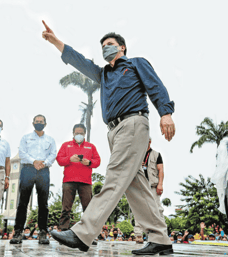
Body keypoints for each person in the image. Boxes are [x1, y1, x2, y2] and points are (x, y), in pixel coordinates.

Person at [42, 21, 176, 256]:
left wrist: (165, 113)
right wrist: (56, 42)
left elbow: (155, 86)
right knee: (135, 186)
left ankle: (83, 233)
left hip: (133, 123)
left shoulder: (135, 64)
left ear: (122, 47)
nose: (106, 48)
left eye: (110, 44)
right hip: (114, 131)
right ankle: (160, 239)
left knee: (114, 178)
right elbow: (79, 61)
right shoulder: (103, 74)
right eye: (103, 46)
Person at [10, 114, 56, 245]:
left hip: (43, 170)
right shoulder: (26, 138)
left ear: (45, 124)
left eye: (41, 121)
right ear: (33, 123)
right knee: (23, 202)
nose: (39, 123)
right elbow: (22, 153)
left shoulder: (50, 139)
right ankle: (18, 232)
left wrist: (44, 163)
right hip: (28, 169)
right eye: (37, 121)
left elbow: (53, 154)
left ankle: (42, 232)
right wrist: (34, 161)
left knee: (43, 203)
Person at [56, 124, 101, 231]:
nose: (79, 135)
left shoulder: (91, 146)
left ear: (84, 134)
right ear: (73, 133)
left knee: (88, 208)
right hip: (68, 181)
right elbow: (59, 160)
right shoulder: (66, 145)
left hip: (85, 182)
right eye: (77, 133)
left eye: (81, 133)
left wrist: (89, 162)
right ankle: (63, 230)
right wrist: (69, 159)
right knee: (66, 208)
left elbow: (97, 161)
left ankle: (89, 232)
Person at [134, 137, 165, 244]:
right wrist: (138, 165)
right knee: (139, 210)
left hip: (152, 186)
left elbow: (161, 170)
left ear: (150, 142)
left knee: (158, 210)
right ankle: (138, 235)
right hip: (140, 186)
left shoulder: (156, 154)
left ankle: (162, 235)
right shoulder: (136, 154)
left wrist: (160, 184)